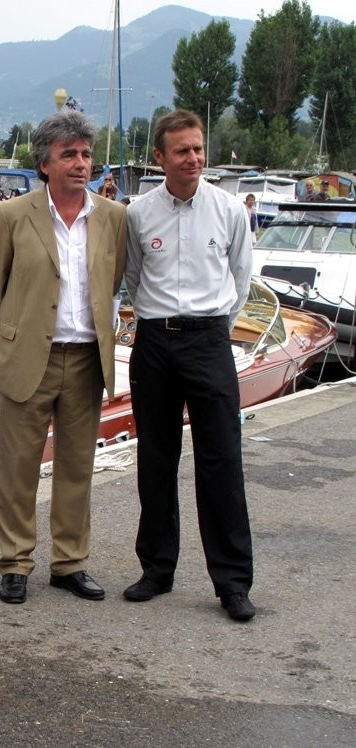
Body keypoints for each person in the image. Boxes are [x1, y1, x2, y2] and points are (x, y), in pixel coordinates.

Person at [0, 109, 127, 606]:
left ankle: (70, 563)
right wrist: (24, 328)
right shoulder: (11, 215)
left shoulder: (112, 218)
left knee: (78, 467)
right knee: (18, 468)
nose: (81, 163)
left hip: (87, 358)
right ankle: (15, 563)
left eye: (86, 154)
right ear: (45, 164)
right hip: (29, 358)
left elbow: (114, 279)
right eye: (69, 155)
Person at [124, 109, 256, 622]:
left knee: (221, 460)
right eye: (182, 151)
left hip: (208, 341)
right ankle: (157, 569)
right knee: (156, 458)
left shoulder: (228, 211)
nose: (194, 158)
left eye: (198, 148)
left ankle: (232, 582)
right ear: (160, 158)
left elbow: (240, 278)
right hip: (156, 342)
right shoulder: (138, 213)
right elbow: (134, 279)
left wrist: (212, 327)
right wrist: (163, 323)